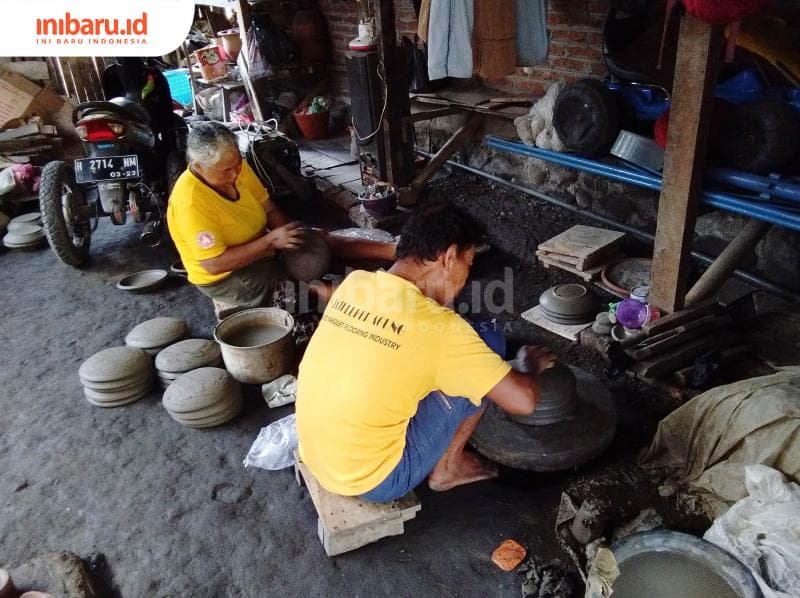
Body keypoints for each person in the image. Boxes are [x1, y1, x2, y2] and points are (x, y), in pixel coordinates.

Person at [296, 203, 556, 501]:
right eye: (468, 263)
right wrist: (528, 365)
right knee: (487, 346)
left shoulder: (355, 284)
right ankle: (448, 468)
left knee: (467, 343)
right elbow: (523, 401)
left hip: (318, 454)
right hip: (374, 480)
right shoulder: (443, 330)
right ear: (448, 257)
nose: (466, 277)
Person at [167, 122, 395, 316]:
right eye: (227, 171)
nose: (235, 173)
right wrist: (270, 242)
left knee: (319, 239)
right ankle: (383, 301)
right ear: (198, 167)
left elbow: (270, 210)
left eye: (237, 165)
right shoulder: (190, 203)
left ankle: (396, 251)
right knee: (298, 287)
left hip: (262, 246)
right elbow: (214, 264)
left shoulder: (236, 166)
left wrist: (293, 239)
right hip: (229, 276)